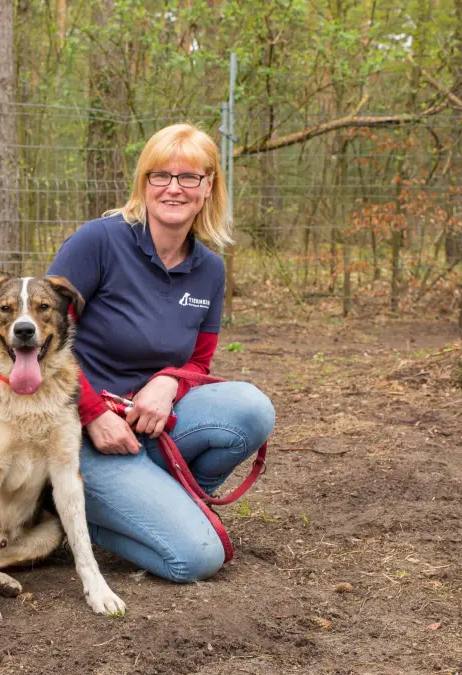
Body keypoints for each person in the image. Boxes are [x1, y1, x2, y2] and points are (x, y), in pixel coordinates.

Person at [46, 122, 275, 583]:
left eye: (188, 177)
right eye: (160, 176)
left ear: (208, 186)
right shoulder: (98, 242)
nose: (174, 188)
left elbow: (200, 362)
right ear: (144, 183)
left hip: (151, 426)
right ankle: (66, 515)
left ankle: (162, 500)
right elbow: (44, 341)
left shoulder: (209, 269)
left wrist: (169, 381)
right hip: (79, 431)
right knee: (196, 558)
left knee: (250, 407)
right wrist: (91, 413)